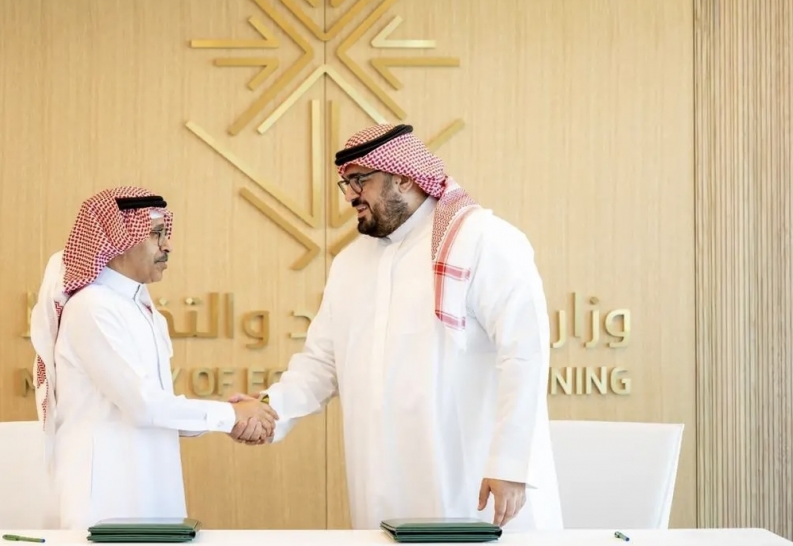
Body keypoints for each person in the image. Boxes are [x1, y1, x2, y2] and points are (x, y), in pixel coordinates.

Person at [228, 124, 564, 530]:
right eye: (346, 183)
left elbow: (524, 354)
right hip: (382, 480)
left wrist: (510, 464)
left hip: (473, 477)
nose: (350, 195)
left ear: (404, 178)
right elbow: (320, 363)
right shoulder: (350, 263)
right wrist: (270, 408)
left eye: (360, 180)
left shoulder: (483, 240)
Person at [30, 186, 277, 529]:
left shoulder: (140, 307)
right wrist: (230, 415)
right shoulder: (91, 307)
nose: (168, 245)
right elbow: (144, 406)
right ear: (118, 239)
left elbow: (157, 407)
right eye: (156, 234)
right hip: (105, 496)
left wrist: (228, 417)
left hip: (150, 483)